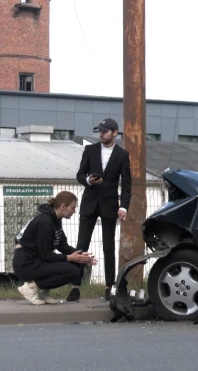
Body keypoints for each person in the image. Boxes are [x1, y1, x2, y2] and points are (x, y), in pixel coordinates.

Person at [69, 118, 131, 302]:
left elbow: (127, 184)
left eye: (105, 131)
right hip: (89, 202)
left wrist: (124, 207)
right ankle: (75, 286)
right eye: (100, 131)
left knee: (108, 246)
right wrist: (88, 180)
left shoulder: (122, 155)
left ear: (114, 132)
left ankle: (109, 286)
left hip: (109, 204)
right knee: (82, 245)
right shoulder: (90, 150)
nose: (101, 134)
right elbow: (80, 174)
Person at [12, 191, 97, 305]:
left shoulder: (55, 220)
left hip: (37, 260)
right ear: (63, 206)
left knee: (76, 265)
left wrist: (81, 256)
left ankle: (43, 292)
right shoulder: (44, 222)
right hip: (26, 263)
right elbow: (46, 255)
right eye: (72, 208)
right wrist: (70, 258)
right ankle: (32, 288)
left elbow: (63, 246)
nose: (74, 211)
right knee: (72, 271)